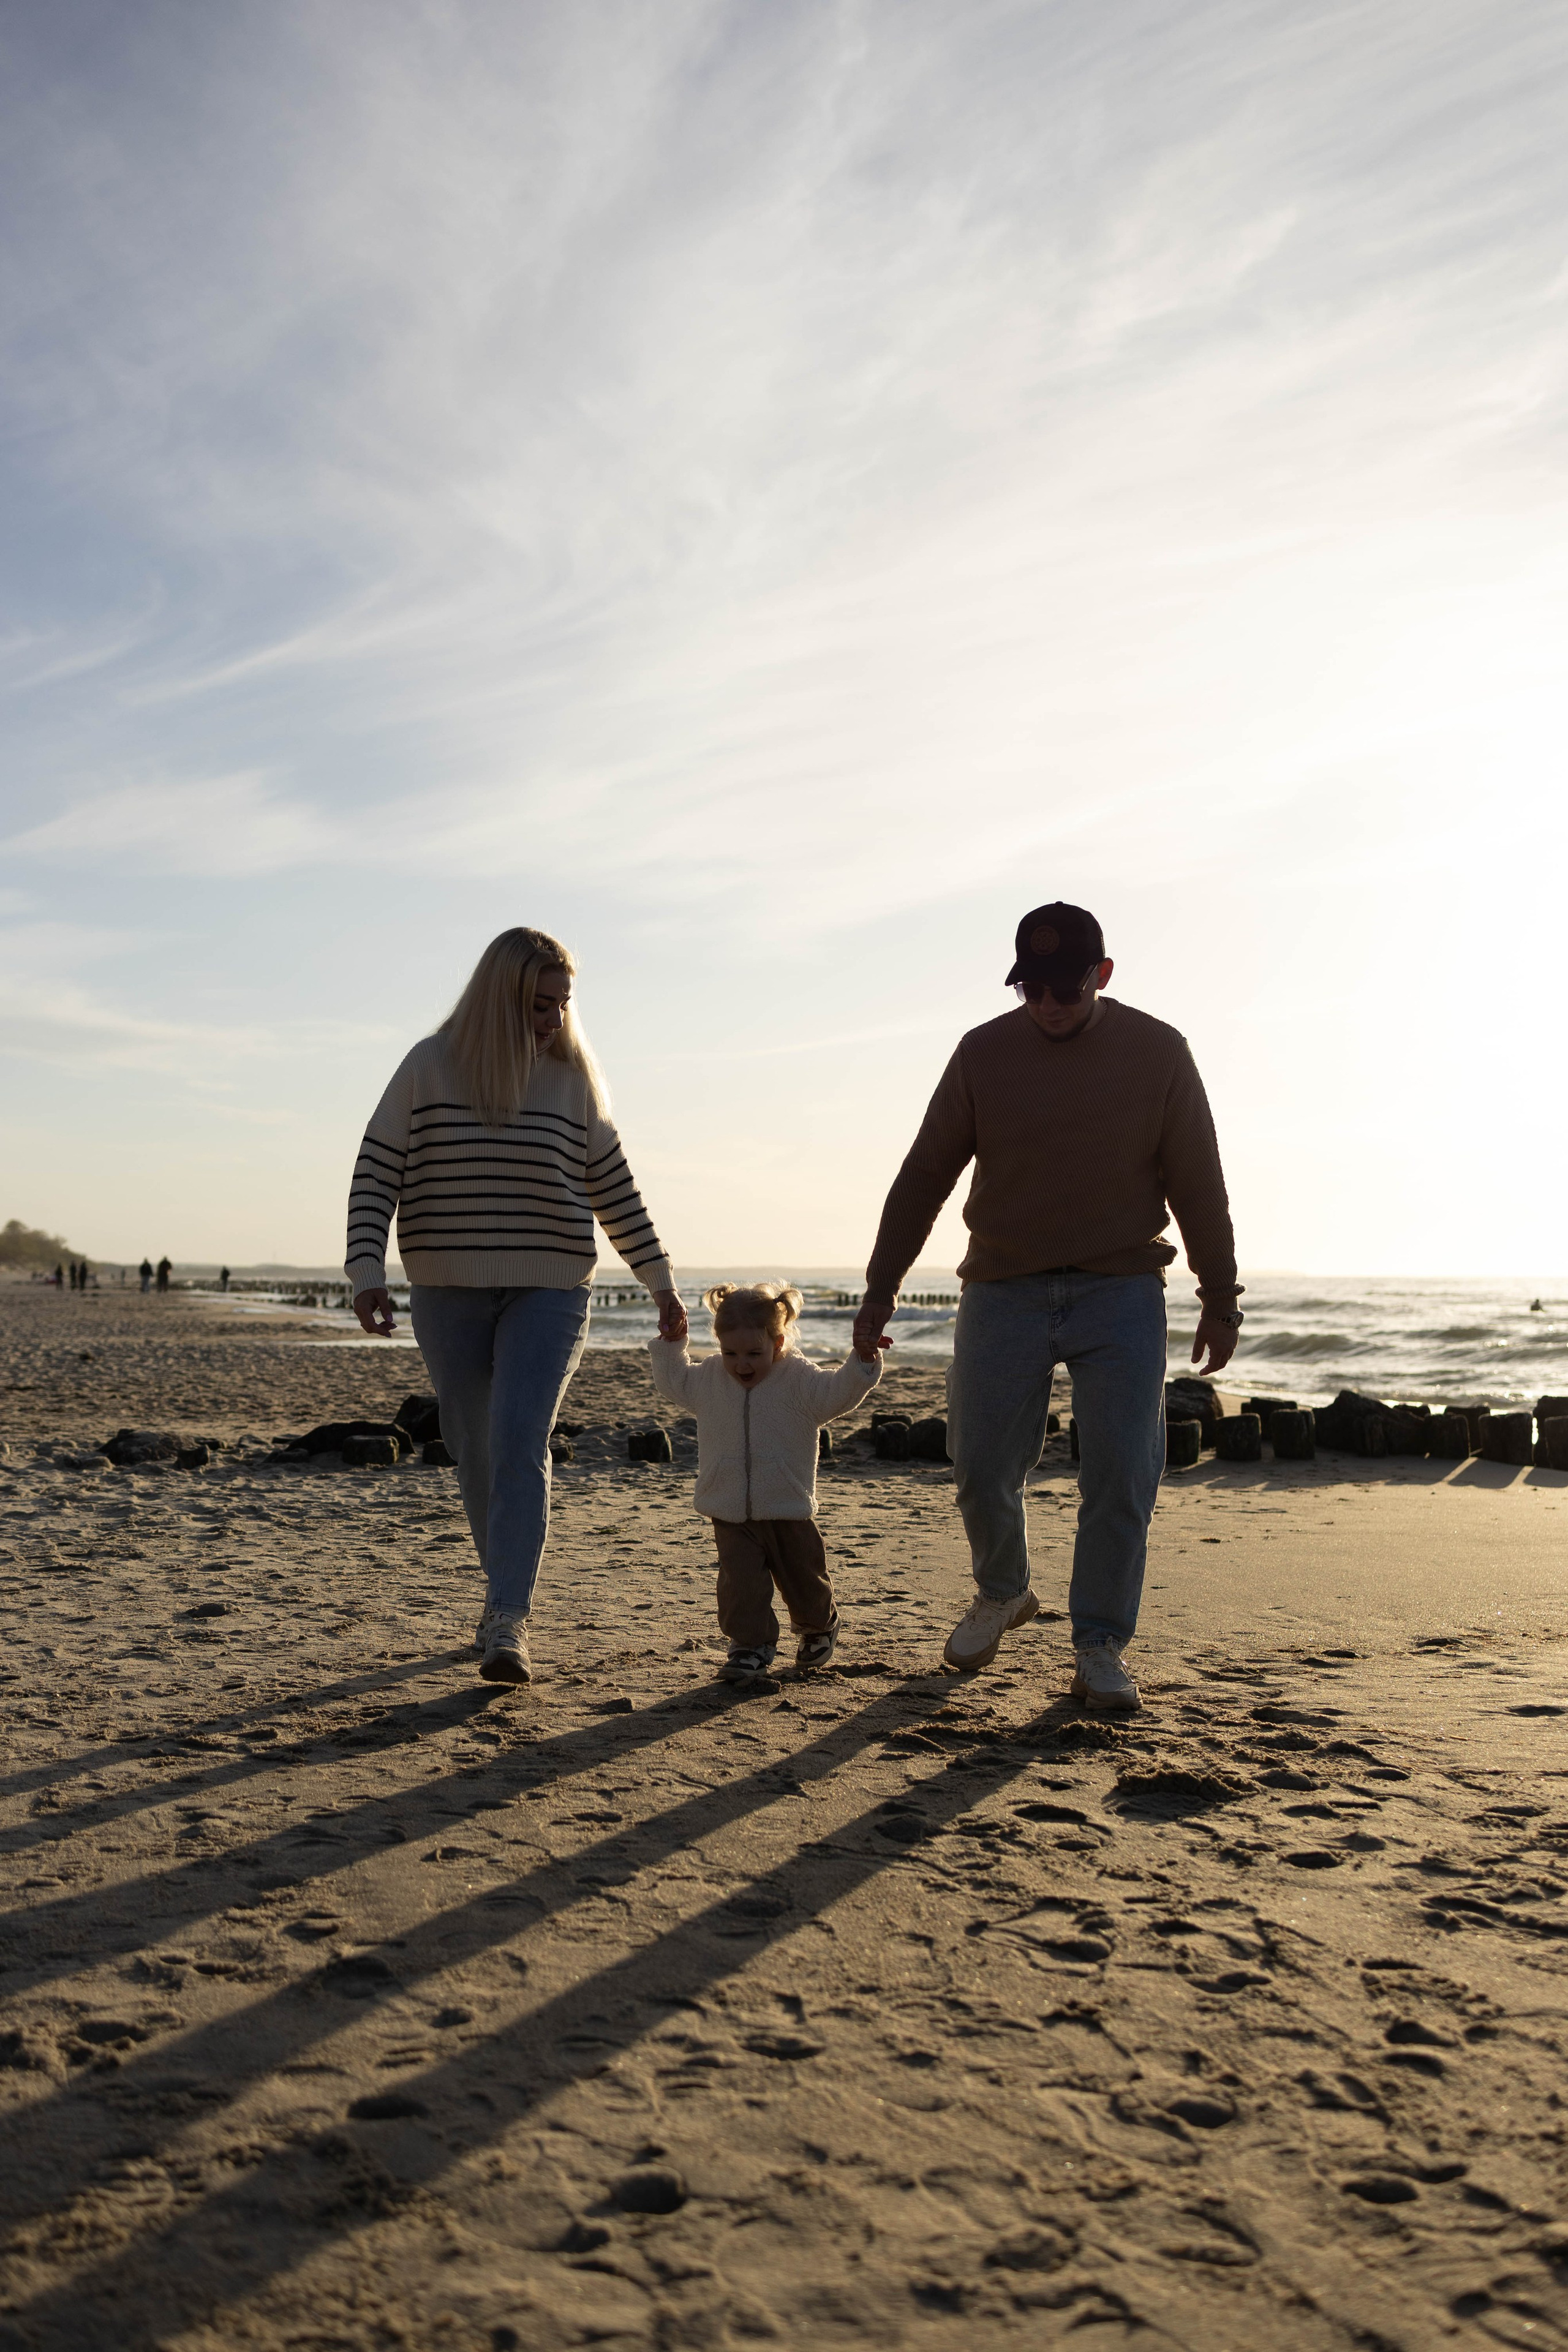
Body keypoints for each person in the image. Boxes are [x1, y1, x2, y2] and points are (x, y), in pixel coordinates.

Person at [853, 901, 1240, 1715]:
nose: (1050, 1002)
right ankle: (1003, 1590)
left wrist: (1220, 1296)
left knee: (1122, 1475)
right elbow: (925, 1176)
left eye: (1066, 986)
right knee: (981, 1462)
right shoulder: (982, 1054)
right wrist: (881, 1289)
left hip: (1121, 1288)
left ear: (1102, 975)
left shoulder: (1158, 1052)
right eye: (1033, 988)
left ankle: (1099, 1643)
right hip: (1003, 1286)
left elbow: (1198, 1182)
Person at [346, 925, 685, 1685]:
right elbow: (376, 1173)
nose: (554, 1021)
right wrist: (366, 1269)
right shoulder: (429, 1067)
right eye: (538, 1006)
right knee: (475, 1448)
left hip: (552, 1285)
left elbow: (615, 1190)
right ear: (499, 999)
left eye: (563, 1005)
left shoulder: (572, 1081)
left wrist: (660, 1282)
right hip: (445, 1286)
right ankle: (502, 1593)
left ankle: (507, 1618)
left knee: (519, 1439)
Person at [650, 1283, 883, 1681]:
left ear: (777, 1342)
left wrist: (862, 1360)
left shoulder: (800, 1380)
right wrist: (673, 1344)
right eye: (731, 1353)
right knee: (740, 1586)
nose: (741, 1364)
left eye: (754, 1354)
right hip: (728, 1507)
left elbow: (838, 1393)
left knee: (803, 1579)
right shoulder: (709, 1379)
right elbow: (674, 1382)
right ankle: (750, 1644)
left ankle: (818, 1626)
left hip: (786, 1505)